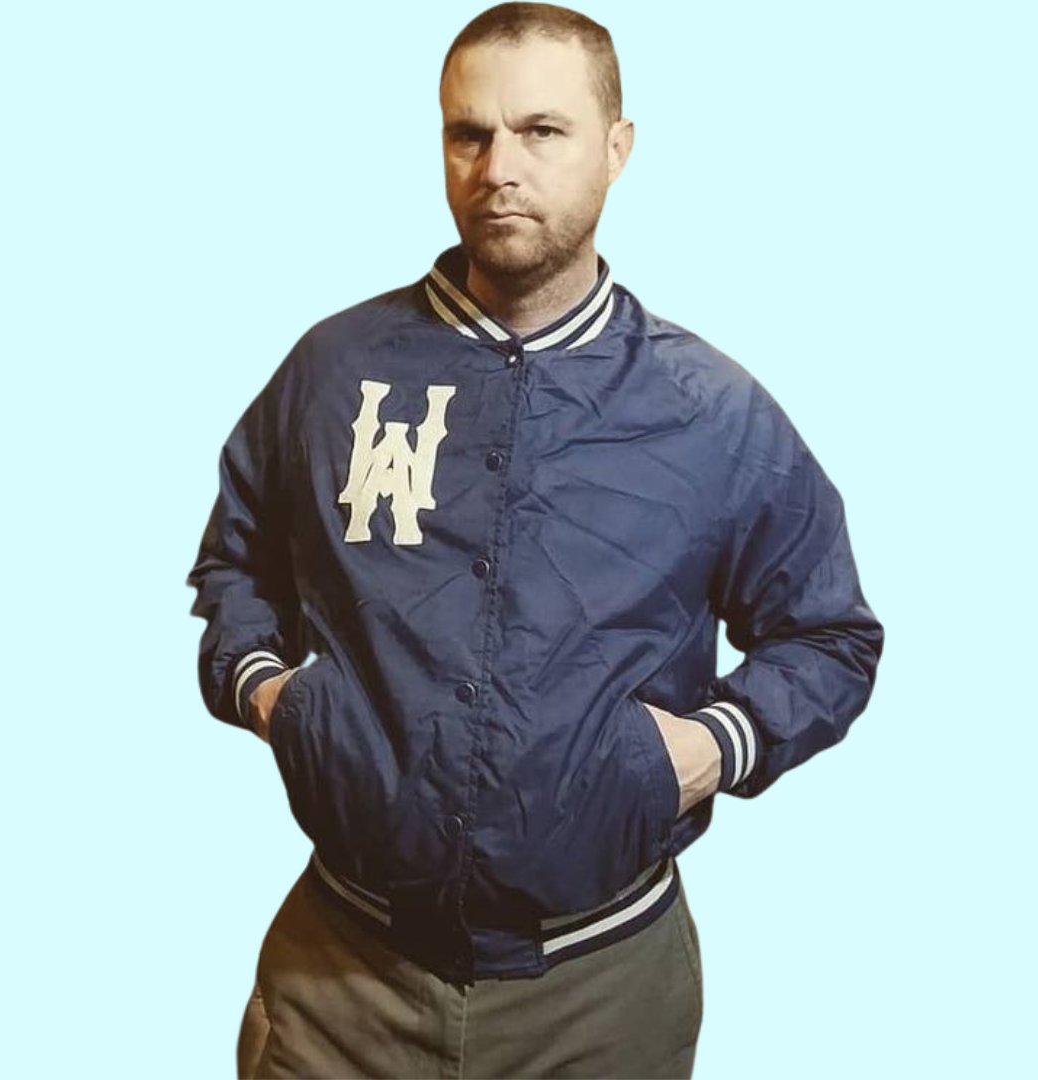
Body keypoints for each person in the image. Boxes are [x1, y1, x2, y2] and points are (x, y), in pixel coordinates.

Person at [186, 3, 884, 1077]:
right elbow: (237, 558)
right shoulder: (332, 371)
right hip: (339, 980)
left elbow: (830, 636)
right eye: (469, 134)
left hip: (601, 998)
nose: (498, 168)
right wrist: (275, 695)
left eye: (542, 131)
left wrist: (710, 747)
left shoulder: (711, 412)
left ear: (617, 147)